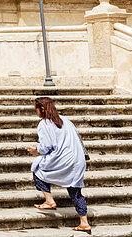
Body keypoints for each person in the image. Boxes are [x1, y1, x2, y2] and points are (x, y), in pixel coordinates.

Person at [29, 96, 91, 233]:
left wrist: (36, 150)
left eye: (36, 109)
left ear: (42, 109)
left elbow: (46, 146)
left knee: (37, 168)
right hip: (77, 159)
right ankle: (84, 222)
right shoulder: (65, 120)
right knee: (75, 190)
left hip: (62, 159)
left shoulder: (44, 124)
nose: (36, 112)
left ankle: (49, 200)